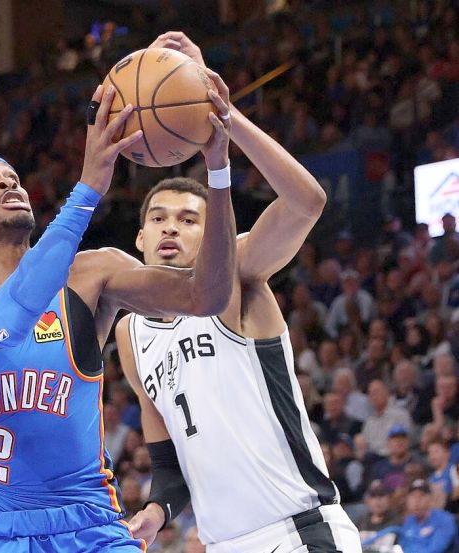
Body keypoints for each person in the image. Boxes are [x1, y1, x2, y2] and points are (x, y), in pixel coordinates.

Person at [0, 54, 238, 550]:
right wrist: (87, 190)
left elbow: (208, 295)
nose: (9, 182)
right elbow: (7, 323)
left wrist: (218, 171)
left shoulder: (92, 272)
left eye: (12, 176)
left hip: (91, 524)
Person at [117, 31, 361, 553]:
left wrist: (220, 113)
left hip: (298, 531)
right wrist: (157, 512)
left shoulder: (238, 275)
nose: (170, 227)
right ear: (139, 238)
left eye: (189, 220)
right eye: (158, 218)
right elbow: (168, 463)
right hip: (223, 543)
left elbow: (306, 203)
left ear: (215, 234)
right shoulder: (129, 334)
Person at [363, 479, 457, 552]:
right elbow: (403, 546)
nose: (416, 501)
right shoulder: (409, 521)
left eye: (421, 496)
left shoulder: (444, 519)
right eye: (412, 496)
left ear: (430, 498)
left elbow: (435, 549)